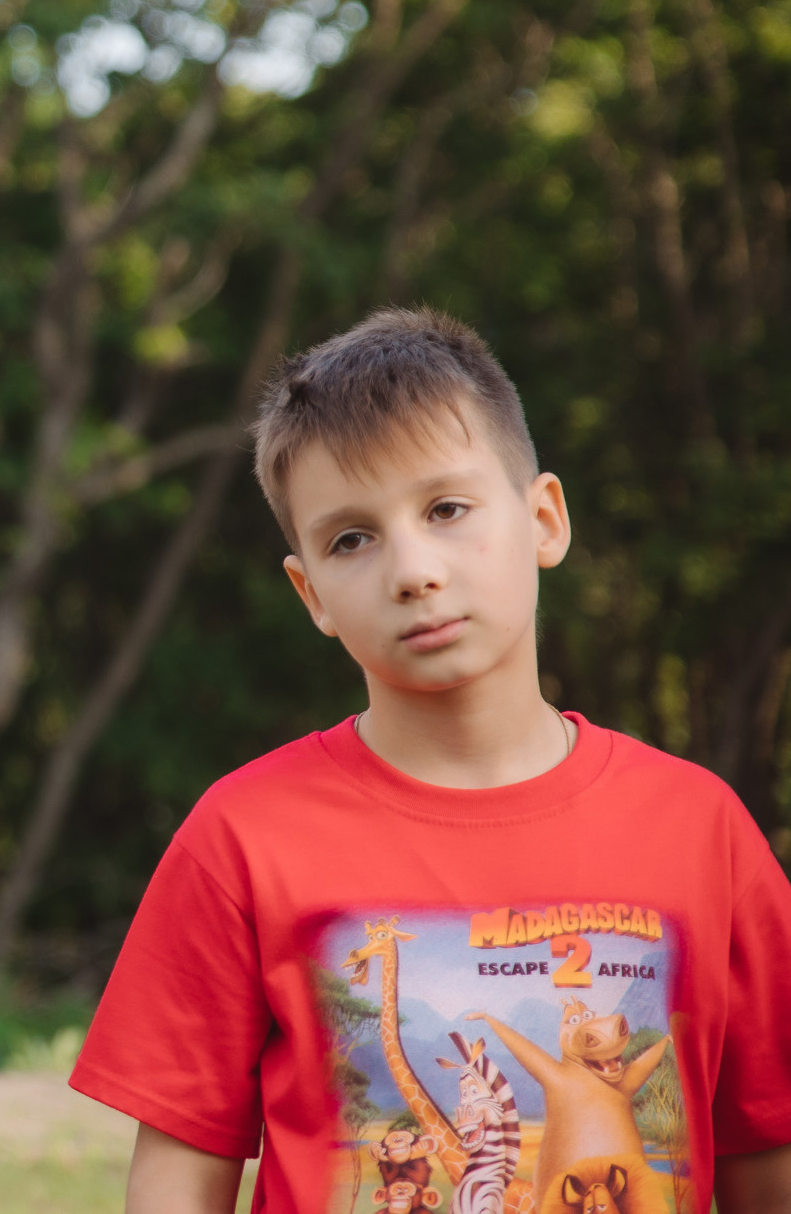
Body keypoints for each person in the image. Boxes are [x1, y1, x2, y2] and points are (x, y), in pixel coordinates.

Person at [70, 308, 791, 1214]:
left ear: (545, 520)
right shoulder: (241, 836)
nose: (412, 569)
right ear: (312, 595)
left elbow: (768, 1157)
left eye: (446, 509)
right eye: (351, 539)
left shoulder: (701, 828)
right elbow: (178, 1180)